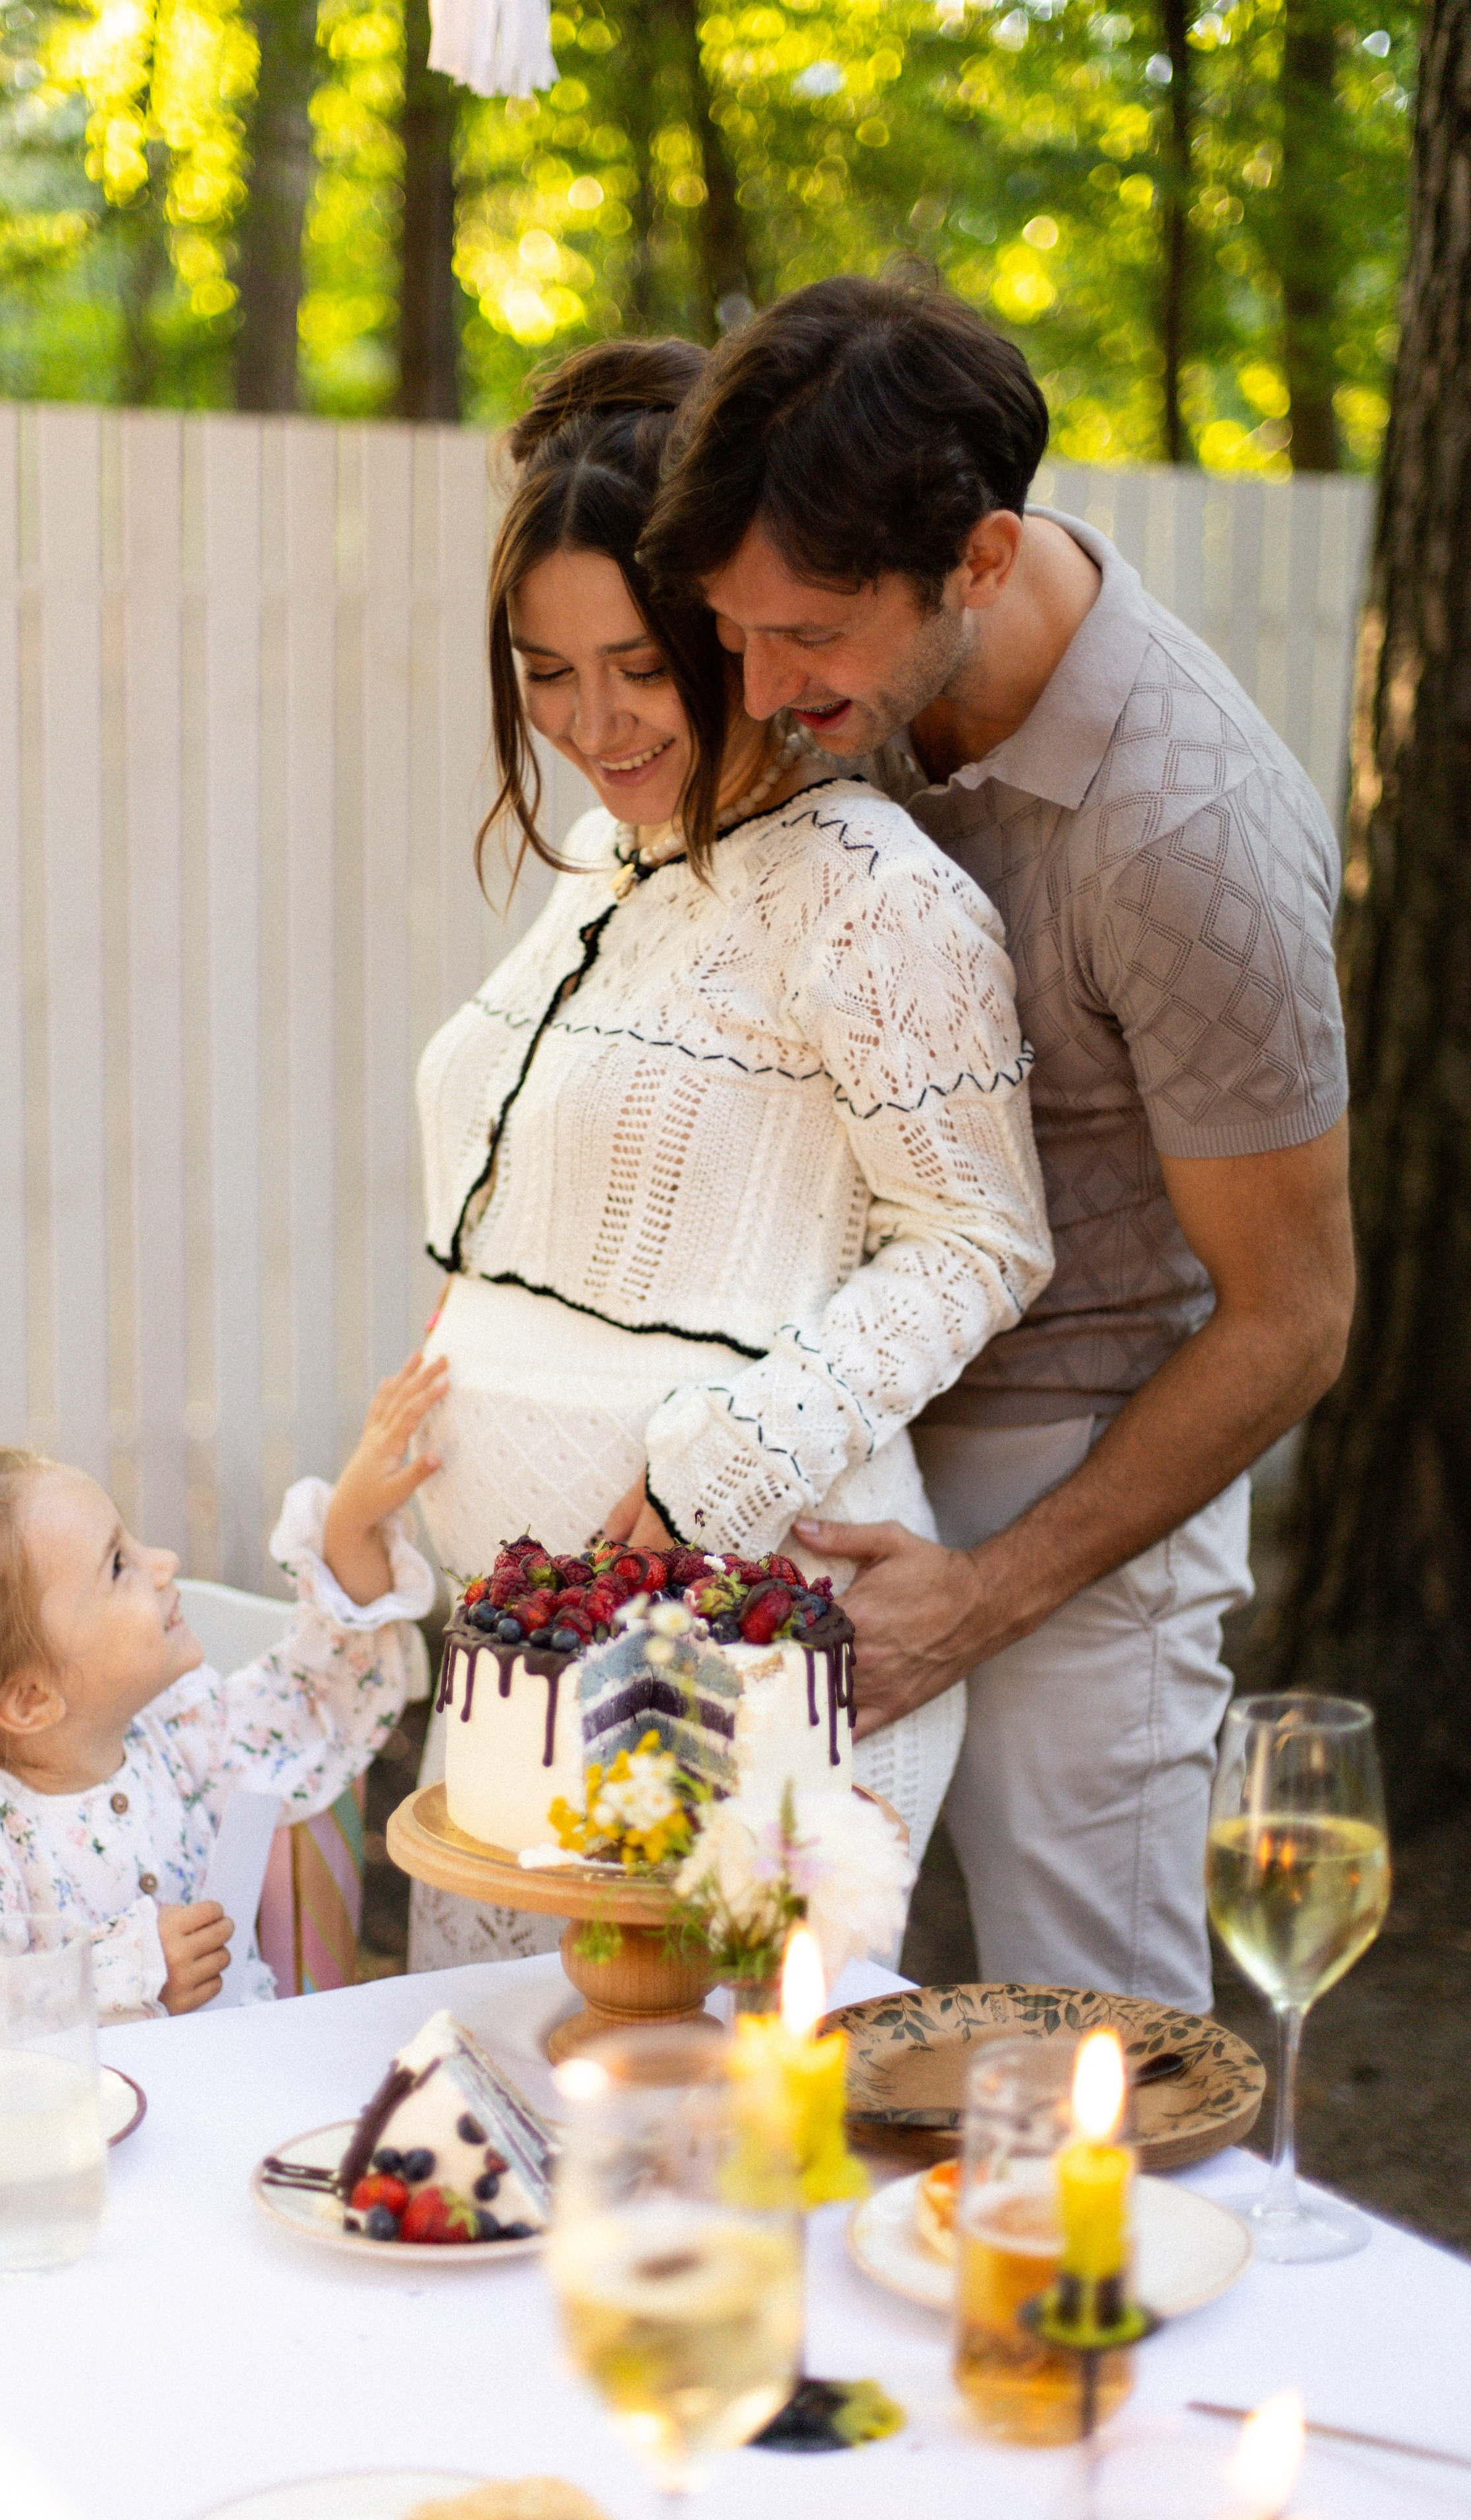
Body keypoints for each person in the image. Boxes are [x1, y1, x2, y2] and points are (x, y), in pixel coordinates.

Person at [640, 272, 1355, 2012]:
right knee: (745, 2033)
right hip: (817, 1434)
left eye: (807, 637)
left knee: (1094, 2059)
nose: (758, 681)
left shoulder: (1189, 831)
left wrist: (988, 1594)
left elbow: (1294, 1319)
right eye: (733, 632)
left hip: (1076, 1485)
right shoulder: (834, 675)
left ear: (976, 559)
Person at [408, 337, 1053, 1970]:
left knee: (719, 2183)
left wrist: (716, 1467)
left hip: (742, 1668)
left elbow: (977, 1239)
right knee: (492, 2159)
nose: (587, 719)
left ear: (717, 627)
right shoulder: (604, 865)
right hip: (526, 1681)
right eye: (541, 671)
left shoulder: (869, 893)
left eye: (630, 662)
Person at [0, 1354, 447, 2063]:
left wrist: (348, 1529)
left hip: (236, 2116)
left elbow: (315, 1700)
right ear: (29, 1699)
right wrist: (123, 1973)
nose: (163, 1561)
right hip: (86, 2168)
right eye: (117, 1566)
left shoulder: (179, 1733)